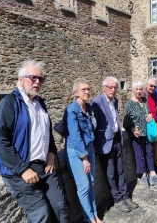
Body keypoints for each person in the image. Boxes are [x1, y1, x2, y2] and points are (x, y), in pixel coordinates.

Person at [0, 60, 69, 223]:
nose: (37, 82)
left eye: (41, 79)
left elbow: (45, 132)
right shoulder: (8, 103)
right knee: (40, 213)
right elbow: (0, 140)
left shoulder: (40, 103)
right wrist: (22, 169)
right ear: (21, 79)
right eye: (32, 77)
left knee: (60, 206)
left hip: (44, 166)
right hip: (19, 169)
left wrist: (51, 152)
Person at [91, 77, 138, 213]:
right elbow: (92, 125)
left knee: (120, 169)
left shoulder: (115, 100)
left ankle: (125, 196)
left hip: (117, 139)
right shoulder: (97, 102)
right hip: (105, 143)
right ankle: (117, 199)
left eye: (115, 87)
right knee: (111, 173)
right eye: (110, 87)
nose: (113, 90)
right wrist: (94, 143)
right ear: (103, 88)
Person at [64, 78, 102, 223]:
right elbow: (75, 136)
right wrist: (84, 158)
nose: (87, 92)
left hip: (89, 148)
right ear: (76, 93)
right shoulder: (72, 110)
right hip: (76, 151)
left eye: (88, 89)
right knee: (84, 186)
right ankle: (89, 219)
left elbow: (91, 130)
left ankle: (95, 215)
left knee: (91, 183)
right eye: (83, 90)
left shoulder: (89, 108)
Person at [123, 81, 157, 186]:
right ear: (133, 90)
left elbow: (149, 113)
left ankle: (153, 174)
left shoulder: (144, 100)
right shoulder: (129, 104)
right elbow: (125, 122)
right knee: (140, 155)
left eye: (140, 89)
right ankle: (143, 174)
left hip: (147, 132)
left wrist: (150, 115)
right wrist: (133, 130)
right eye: (136, 89)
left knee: (150, 153)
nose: (138, 91)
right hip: (137, 134)